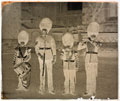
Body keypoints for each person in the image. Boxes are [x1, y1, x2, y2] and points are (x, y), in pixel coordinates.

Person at [77, 22, 101, 96]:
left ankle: (93, 91)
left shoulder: (98, 42)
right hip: (87, 61)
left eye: (94, 36)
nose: (92, 37)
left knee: (93, 76)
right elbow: (79, 48)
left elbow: (97, 46)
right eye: (91, 36)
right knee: (88, 76)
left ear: (95, 36)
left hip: (94, 61)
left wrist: (90, 41)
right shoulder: (87, 43)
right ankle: (88, 91)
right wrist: (80, 42)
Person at [35, 18, 56, 95]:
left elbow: (53, 47)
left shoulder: (51, 38)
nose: (44, 32)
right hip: (41, 57)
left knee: (50, 73)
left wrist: (54, 57)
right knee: (42, 72)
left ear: (47, 31)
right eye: (43, 31)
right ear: (41, 31)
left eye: (45, 31)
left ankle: (51, 89)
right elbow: (36, 48)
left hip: (49, 56)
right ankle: (41, 88)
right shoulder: (38, 38)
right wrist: (39, 55)